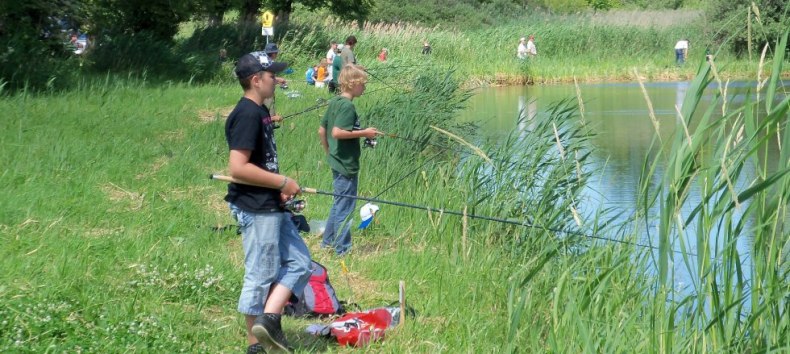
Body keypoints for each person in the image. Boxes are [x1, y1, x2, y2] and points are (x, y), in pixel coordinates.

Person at [226, 51, 312, 354]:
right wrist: (281, 182)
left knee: (301, 263)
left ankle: (270, 320)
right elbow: (237, 168)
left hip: (271, 203)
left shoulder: (260, 112)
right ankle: (256, 346)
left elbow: (261, 165)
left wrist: (279, 190)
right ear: (255, 80)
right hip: (255, 208)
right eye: (271, 74)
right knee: (260, 275)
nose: (276, 79)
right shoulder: (247, 114)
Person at [318, 64, 379, 255]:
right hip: (346, 164)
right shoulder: (347, 106)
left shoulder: (335, 102)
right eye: (363, 84)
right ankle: (342, 250)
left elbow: (322, 130)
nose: (365, 88)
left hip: (337, 160)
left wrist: (328, 153)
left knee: (339, 203)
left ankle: (327, 242)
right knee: (345, 208)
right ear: (353, 84)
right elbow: (336, 132)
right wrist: (365, 133)